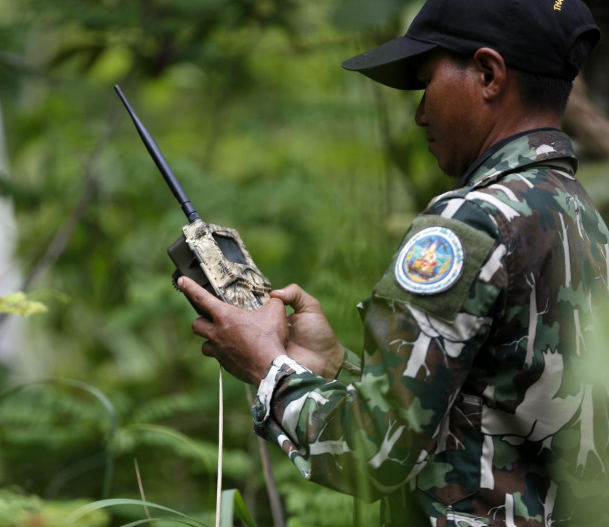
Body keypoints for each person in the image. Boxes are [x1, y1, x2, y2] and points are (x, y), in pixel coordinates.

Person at [176, 0, 609, 525]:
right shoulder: (582, 218)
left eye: (426, 82)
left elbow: (373, 456)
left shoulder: (469, 224)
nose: (419, 113)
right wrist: (335, 366)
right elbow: (494, 416)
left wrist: (267, 367)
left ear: (489, 74)